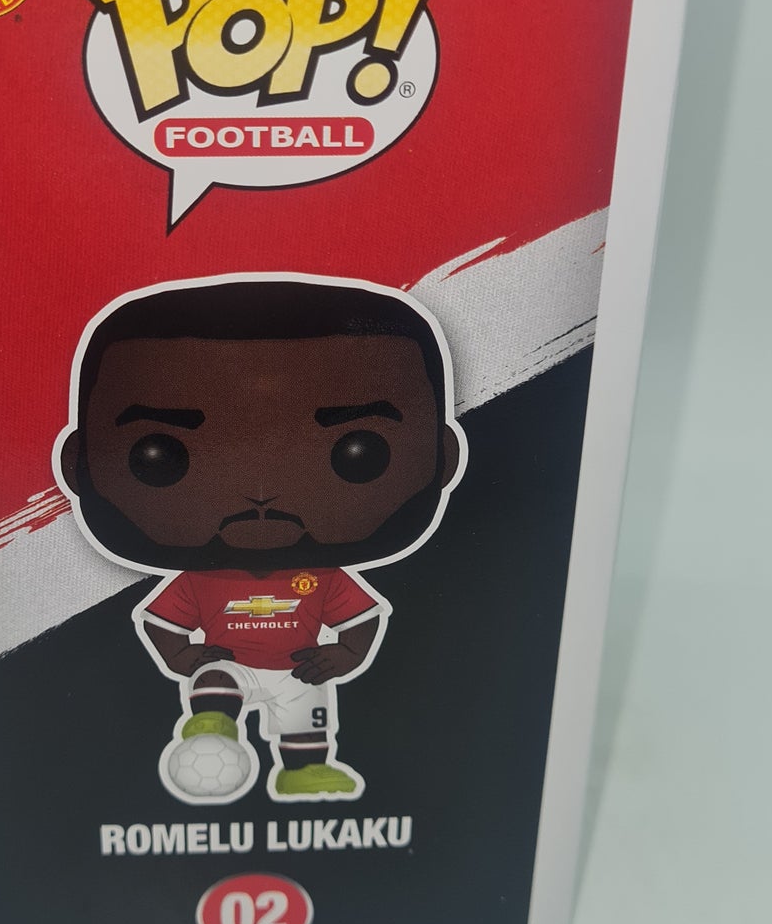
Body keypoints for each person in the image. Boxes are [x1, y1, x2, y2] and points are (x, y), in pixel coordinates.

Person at [55, 275, 465, 804]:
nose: (261, 493)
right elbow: (160, 622)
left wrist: (347, 655)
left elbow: (363, 618)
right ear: (80, 465)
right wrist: (181, 656)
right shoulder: (201, 579)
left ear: (443, 458)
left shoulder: (321, 577)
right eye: (159, 456)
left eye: (359, 452)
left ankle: (304, 768)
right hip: (228, 666)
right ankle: (212, 722)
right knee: (215, 679)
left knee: (307, 718)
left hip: (299, 669)